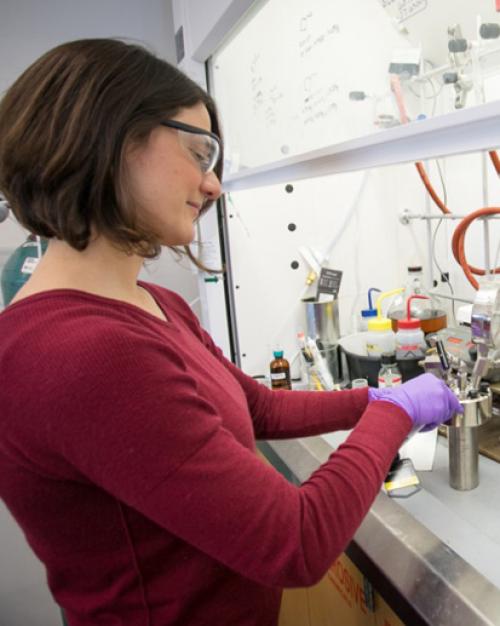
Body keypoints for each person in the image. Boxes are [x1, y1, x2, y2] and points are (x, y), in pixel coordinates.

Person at [0, 39, 462, 626]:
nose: (214, 185)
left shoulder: (150, 302)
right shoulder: (81, 352)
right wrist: (393, 413)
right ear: (108, 139)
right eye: (198, 152)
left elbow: (256, 407)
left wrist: (369, 398)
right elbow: (296, 542)